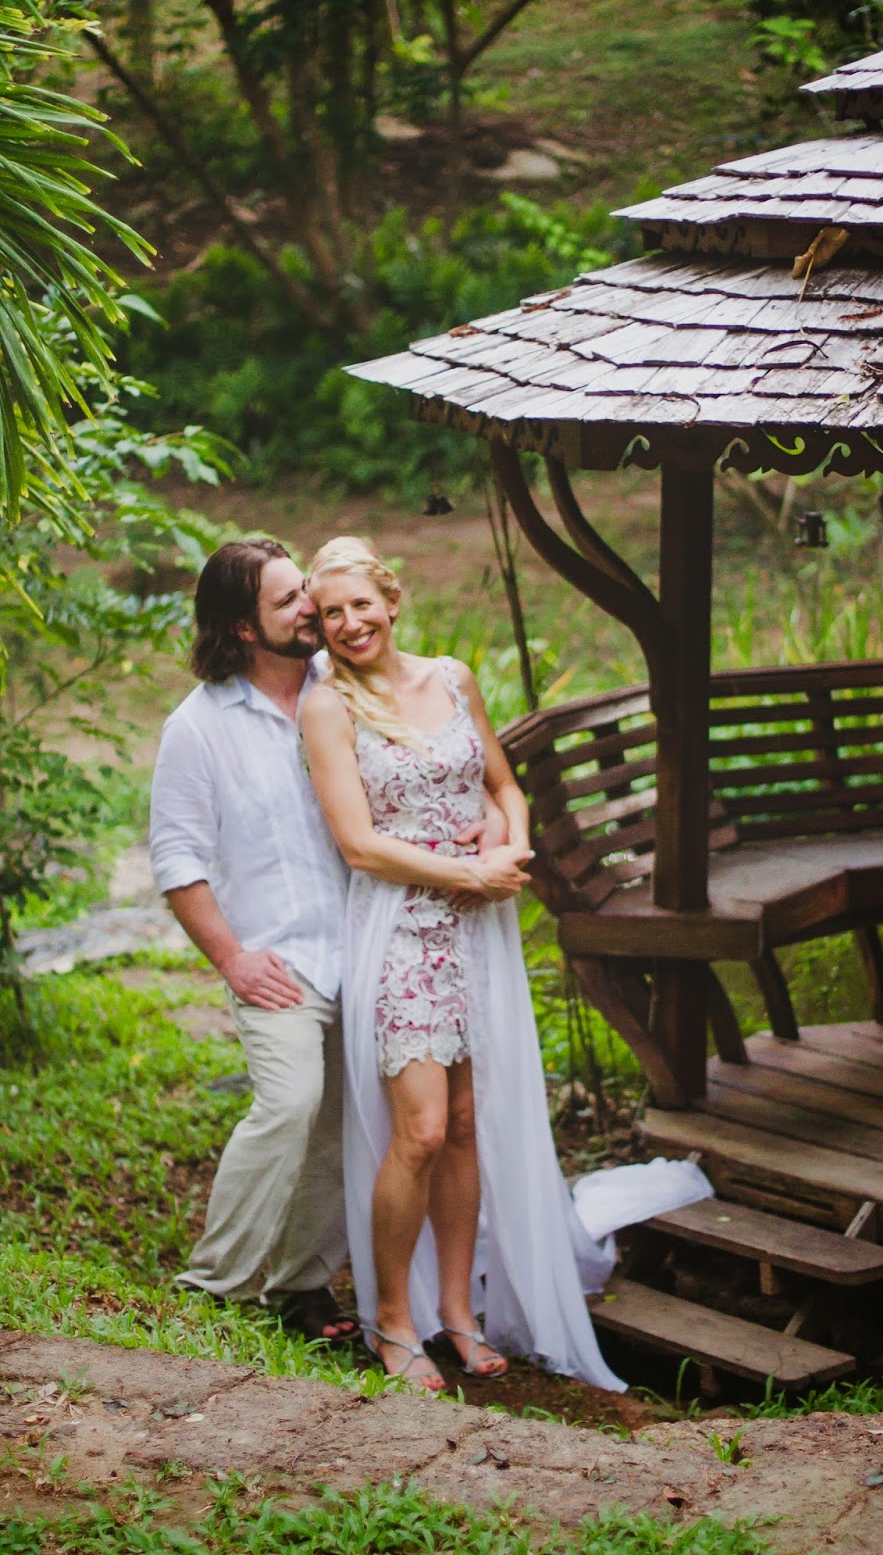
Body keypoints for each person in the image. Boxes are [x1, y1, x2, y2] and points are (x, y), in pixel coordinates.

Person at [300, 535, 623, 1393]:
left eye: (360, 604)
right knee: (423, 1132)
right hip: (402, 926)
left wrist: (509, 849)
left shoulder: (451, 677)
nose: (349, 623)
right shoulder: (328, 706)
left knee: (472, 1126)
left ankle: (457, 1311)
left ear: (392, 600)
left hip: (481, 926)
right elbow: (360, 846)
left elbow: (506, 786)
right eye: (331, 613)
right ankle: (393, 1322)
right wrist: (467, 872)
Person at [149, 538, 359, 1341]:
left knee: (348, 1124)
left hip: (368, 950)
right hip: (279, 961)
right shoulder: (197, 728)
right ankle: (214, 1284)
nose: (310, 608)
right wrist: (232, 958)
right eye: (287, 601)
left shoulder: (340, 693)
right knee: (290, 1104)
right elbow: (176, 860)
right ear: (242, 628)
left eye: (304, 590)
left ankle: (303, 1288)